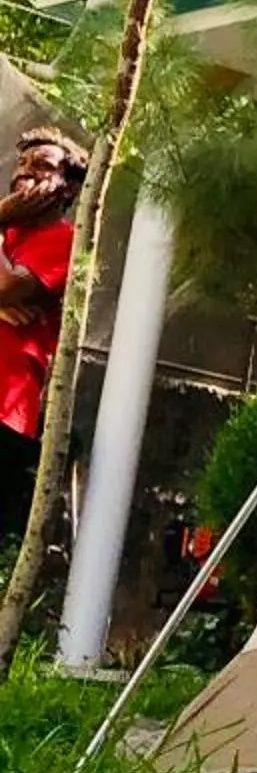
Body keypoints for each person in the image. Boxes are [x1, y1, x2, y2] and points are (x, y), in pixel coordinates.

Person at [0, 128, 88, 549]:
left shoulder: (65, 241)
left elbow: (7, 288)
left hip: (4, 412)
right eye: (22, 164)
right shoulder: (9, 237)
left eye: (43, 167)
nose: (25, 175)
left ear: (68, 187)